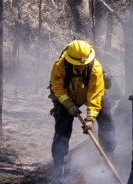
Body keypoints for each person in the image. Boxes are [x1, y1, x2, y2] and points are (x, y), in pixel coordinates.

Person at [48, 40, 116, 176]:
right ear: (71, 61)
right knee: (62, 127)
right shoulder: (59, 65)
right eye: (79, 65)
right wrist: (68, 104)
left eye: (85, 64)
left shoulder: (95, 68)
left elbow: (95, 96)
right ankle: (58, 163)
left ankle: (108, 155)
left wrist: (90, 119)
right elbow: (57, 88)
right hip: (68, 96)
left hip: (90, 94)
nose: (83, 67)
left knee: (106, 120)